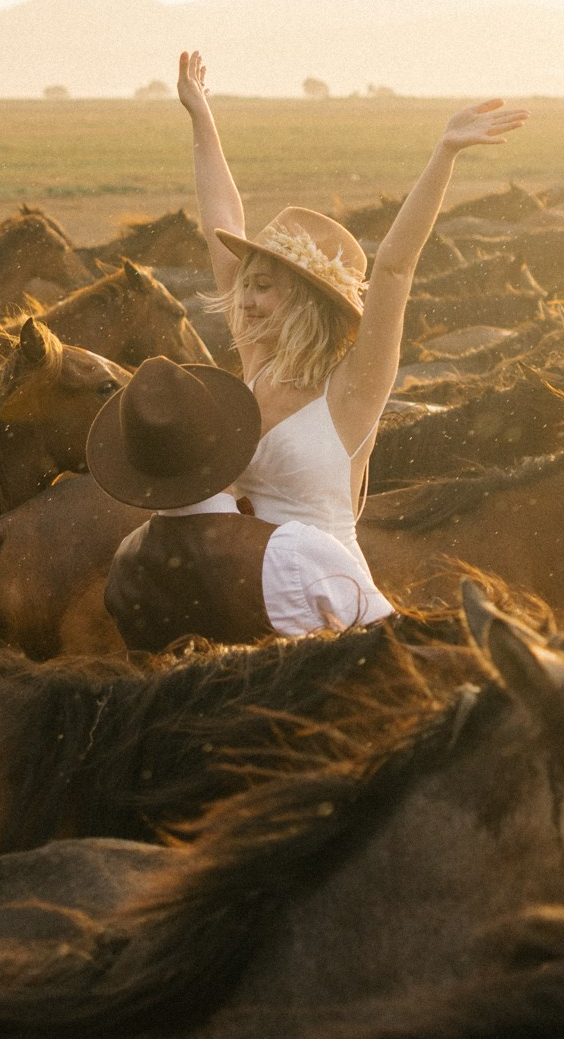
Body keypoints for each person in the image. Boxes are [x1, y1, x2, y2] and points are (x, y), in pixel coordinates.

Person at [131, 52, 528, 638]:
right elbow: (223, 213)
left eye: (262, 288)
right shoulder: (256, 359)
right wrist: (201, 116)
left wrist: (444, 152)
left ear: (304, 301)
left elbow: (393, 269)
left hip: (328, 605)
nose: (242, 300)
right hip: (244, 595)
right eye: (244, 285)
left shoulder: (353, 389)